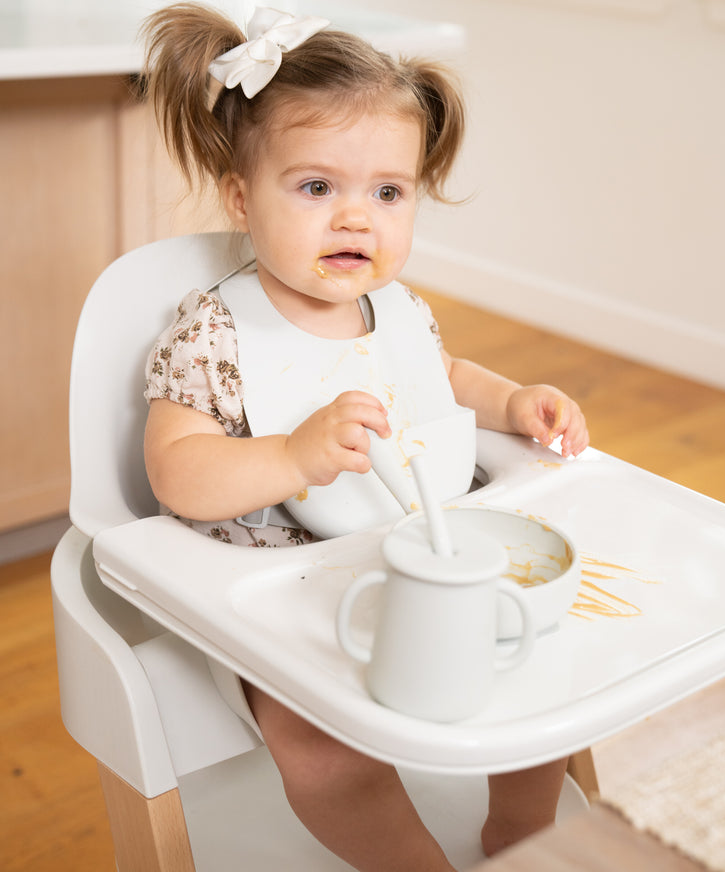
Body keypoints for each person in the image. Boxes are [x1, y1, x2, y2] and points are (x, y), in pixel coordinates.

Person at [140, 4, 590, 870]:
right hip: (279, 599)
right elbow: (176, 472)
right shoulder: (214, 334)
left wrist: (514, 401)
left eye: (387, 193)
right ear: (242, 197)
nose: (357, 219)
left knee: (533, 670)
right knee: (325, 753)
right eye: (317, 188)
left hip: (412, 562)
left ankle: (520, 831)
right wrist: (289, 457)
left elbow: (443, 379)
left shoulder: (398, 311)